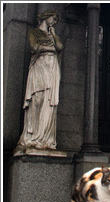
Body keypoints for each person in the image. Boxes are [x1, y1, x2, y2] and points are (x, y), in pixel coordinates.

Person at [14, 10, 63, 155]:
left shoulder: (53, 35)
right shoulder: (34, 32)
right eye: (53, 18)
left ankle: (46, 139)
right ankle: (32, 137)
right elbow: (35, 47)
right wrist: (50, 49)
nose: (54, 21)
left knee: (49, 103)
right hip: (39, 67)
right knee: (36, 100)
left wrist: (53, 35)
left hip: (52, 68)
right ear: (46, 17)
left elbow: (60, 48)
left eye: (56, 20)